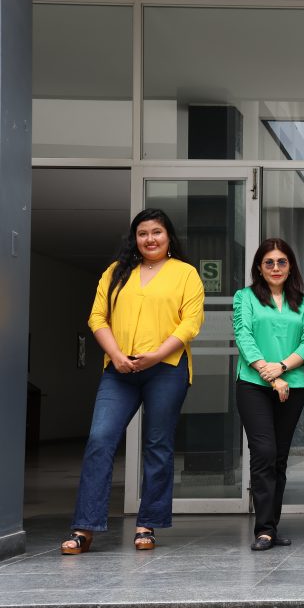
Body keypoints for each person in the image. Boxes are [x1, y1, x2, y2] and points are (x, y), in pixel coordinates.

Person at [60, 208, 204, 555]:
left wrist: (156, 355)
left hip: (167, 368)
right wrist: (117, 356)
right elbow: (97, 317)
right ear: (134, 238)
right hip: (120, 371)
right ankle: (84, 528)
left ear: (168, 236)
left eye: (157, 232)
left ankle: (147, 525)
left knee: (157, 444)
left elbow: (190, 323)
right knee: (100, 439)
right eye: (143, 233)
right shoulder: (115, 272)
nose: (150, 239)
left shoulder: (185, 273)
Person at [233, 239, 304, 551]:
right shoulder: (245, 297)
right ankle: (263, 530)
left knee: (279, 458)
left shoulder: (301, 302)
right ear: (259, 267)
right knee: (264, 452)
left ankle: (271, 526)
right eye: (269, 262)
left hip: (291, 386)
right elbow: (243, 335)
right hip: (253, 384)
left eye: (282, 262)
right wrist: (267, 373)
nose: (276, 267)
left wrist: (280, 368)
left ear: (290, 266)